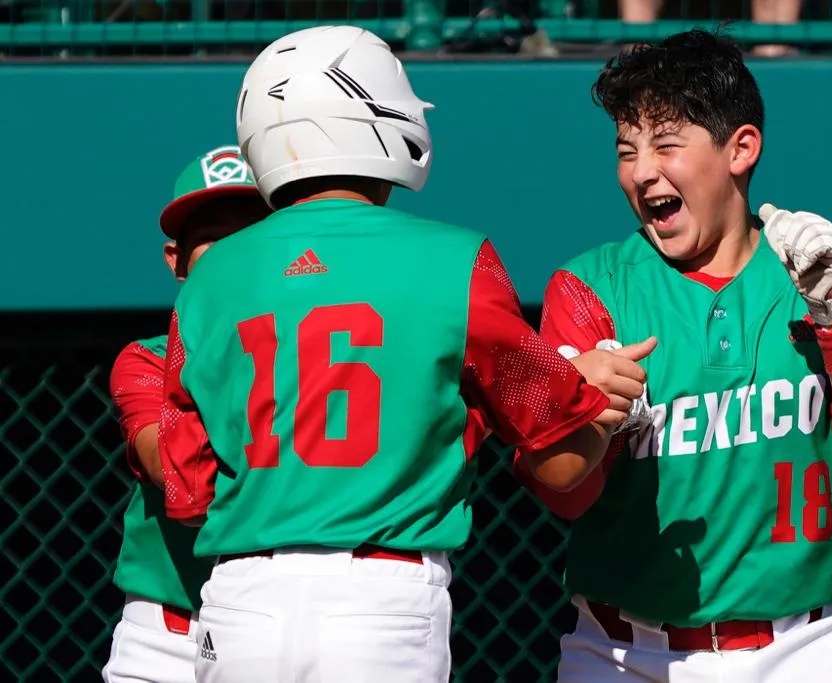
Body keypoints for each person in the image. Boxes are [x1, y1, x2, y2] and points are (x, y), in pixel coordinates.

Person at [157, 25, 650, 683]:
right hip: (380, 601)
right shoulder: (456, 258)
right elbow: (560, 460)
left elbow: (187, 490)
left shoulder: (208, 280)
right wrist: (599, 395)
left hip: (239, 604)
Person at [517, 29, 832, 683]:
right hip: (621, 653)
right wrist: (589, 416)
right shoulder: (590, 286)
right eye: (626, 150)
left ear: (740, 149)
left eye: (666, 145)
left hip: (803, 649)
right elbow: (561, 488)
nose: (641, 171)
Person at [103, 144, 271, 683]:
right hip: (169, 635)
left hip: (279, 623)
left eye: (254, 232)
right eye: (215, 237)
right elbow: (172, 472)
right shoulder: (147, 358)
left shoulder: (323, 355)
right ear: (176, 260)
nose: (234, 252)